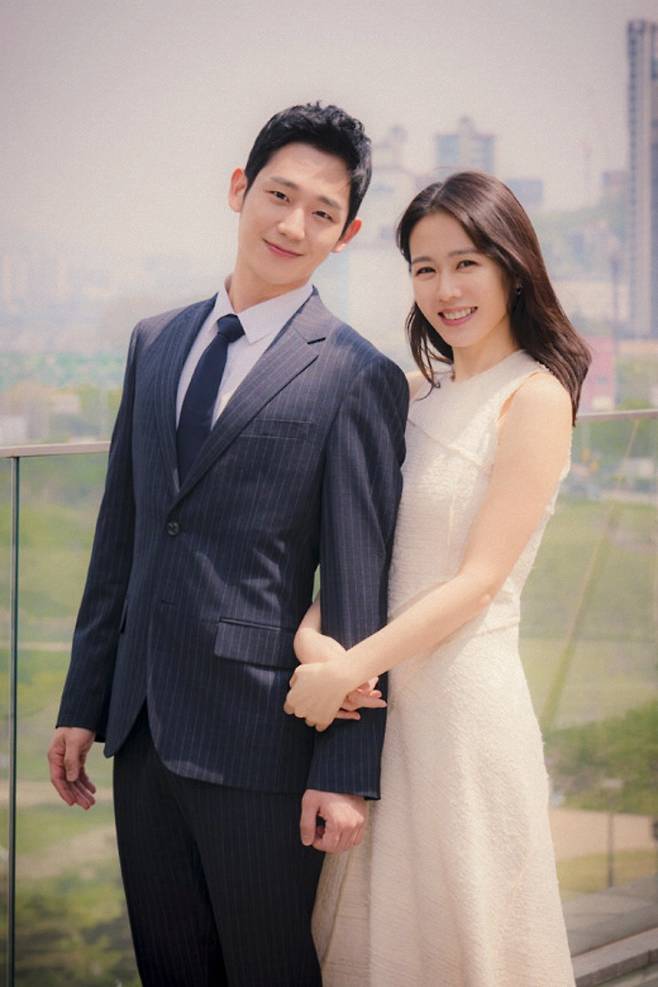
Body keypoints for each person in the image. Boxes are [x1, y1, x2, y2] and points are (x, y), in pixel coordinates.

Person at [47, 102, 408, 987]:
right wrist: (83, 700)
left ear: (347, 235)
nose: (293, 224)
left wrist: (345, 769)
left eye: (322, 212)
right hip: (141, 729)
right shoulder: (155, 341)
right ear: (239, 188)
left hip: (263, 740)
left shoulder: (356, 374)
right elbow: (122, 536)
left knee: (268, 971)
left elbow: (360, 583)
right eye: (279, 195)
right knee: (170, 969)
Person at [284, 171, 591, 986]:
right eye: (425, 268)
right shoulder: (412, 394)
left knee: (469, 943)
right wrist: (314, 640)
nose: (445, 289)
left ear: (512, 267)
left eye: (466, 264)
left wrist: (349, 666)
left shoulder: (533, 396)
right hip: (380, 711)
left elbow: (479, 579)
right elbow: (364, 550)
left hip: (461, 712)